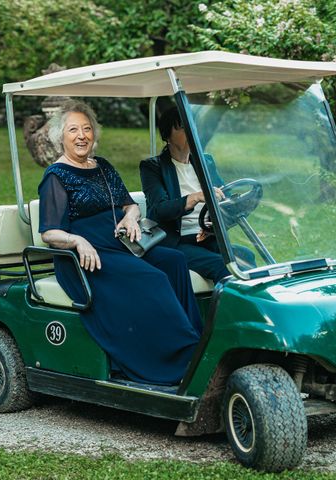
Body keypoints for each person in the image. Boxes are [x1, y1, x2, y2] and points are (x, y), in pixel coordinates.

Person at [38, 100, 202, 386]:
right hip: (88, 258)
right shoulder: (56, 176)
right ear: (60, 137)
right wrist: (78, 241)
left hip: (122, 244)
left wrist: (130, 217)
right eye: (73, 130)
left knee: (174, 261)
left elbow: (130, 205)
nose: (81, 136)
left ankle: (195, 341)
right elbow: (49, 232)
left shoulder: (102, 166)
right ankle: (175, 358)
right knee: (151, 278)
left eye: (86, 129)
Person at [140, 107, 232, 283]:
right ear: (167, 135)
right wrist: (195, 197)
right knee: (222, 264)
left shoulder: (205, 161)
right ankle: (227, 310)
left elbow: (224, 196)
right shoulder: (153, 167)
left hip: (206, 236)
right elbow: (160, 209)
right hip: (177, 240)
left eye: (192, 126)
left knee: (245, 257)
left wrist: (211, 227)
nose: (190, 131)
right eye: (182, 127)